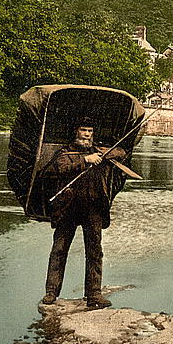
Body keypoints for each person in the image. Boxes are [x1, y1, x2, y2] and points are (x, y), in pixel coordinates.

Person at [42, 119, 125, 308]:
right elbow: (59, 167)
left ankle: (94, 294)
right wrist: (84, 160)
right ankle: (51, 293)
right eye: (83, 130)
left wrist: (103, 154)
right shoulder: (64, 152)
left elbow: (121, 153)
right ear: (76, 132)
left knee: (95, 251)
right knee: (59, 249)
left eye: (90, 131)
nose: (87, 134)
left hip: (93, 208)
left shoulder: (99, 151)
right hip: (68, 208)